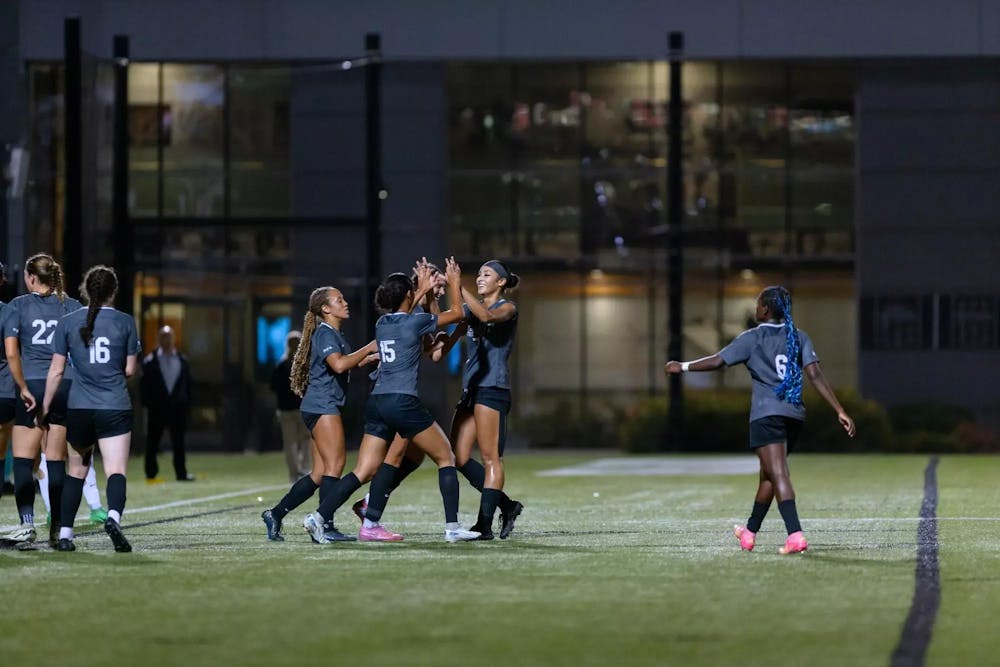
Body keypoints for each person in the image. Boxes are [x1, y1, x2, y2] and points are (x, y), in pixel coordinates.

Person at [664, 285, 856, 554]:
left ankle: (795, 534)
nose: (755, 308)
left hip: (767, 415)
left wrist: (681, 366)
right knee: (768, 476)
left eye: (757, 304)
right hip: (794, 416)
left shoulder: (753, 338)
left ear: (765, 309)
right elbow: (815, 375)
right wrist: (839, 409)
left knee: (778, 473)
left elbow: (717, 361)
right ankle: (750, 532)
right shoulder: (798, 336)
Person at [302, 259, 481, 544]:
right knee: (445, 456)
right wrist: (454, 284)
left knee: (364, 470)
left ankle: (320, 517)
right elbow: (458, 312)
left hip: (377, 402)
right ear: (409, 296)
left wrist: (422, 293)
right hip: (402, 402)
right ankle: (453, 528)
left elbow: (414, 328)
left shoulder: (382, 323)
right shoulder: (415, 321)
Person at [260, 287, 379, 543]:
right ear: (326, 309)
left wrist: (367, 358)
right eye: (339, 300)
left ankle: (275, 514)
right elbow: (338, 364)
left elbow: (342, 363)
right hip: (323, 405)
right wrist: (369, 346)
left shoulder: (332, 332)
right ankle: (324, 524)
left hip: (318, 405)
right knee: (336, 466)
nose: (345, 303)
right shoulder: (325, 333)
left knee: (318, 473)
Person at [42, 265, 140, 552]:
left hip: (79, 407)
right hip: (114, 406)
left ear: (85, 290)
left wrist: (44, 406)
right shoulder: (125, 322)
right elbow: (130, 369)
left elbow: (57, 371)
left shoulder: (68, 322)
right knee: (116, 470)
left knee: (76, 471)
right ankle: (112, 517)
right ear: (114, 291)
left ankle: (66, 536)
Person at [2, 253, 82, 547]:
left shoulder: (18, 306)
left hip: (34, 383)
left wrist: (21, 385)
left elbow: (11, 352)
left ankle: (27, 524)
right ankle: (59, 527)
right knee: (55, 460)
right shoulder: (72, 306)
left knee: (23, 461)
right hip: (64, 385)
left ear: (32, 278)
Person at [451, 259, 524, 540]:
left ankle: (484, 525)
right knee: (457, 457)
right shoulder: (471, 310)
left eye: (487, 274)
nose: (480, 278)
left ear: (501, 282)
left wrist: (459, 287)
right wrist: (432, 294)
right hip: (471, 390)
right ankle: (507, 505)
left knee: (491, 457)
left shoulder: (507, 308)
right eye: (478, 274)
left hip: (492, 388)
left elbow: (488, 317)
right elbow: (447, 322)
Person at [140, 325, 193, 482]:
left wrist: (187, 403)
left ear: (173, 338)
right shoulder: (151, 361)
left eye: (169, 336)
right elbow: (145, 386)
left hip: (177, 408)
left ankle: (181, 473)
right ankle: (151, 472)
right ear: (158, 339)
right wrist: (148, 404)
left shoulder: (182, 360)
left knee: (179, 442)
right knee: (153, 441)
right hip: (157, 408)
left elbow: (188, 385)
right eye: (163, 336)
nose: (166, 339)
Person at [270, 330, 311, 482]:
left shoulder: (281, 364)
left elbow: (273, 386)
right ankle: (305, 469)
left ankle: (294, 473)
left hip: (285, 409)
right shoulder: (305, 363)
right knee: (307, 439)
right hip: (303, 407)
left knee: (290, 443)